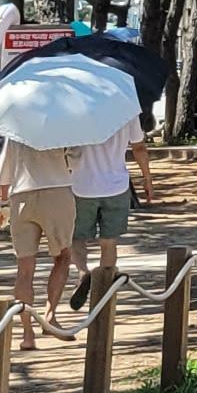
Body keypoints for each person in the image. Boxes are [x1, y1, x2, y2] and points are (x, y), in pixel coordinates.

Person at [0, 121, 82, 350]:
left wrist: (2, 203)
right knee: (63, 256)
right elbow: (76, 160)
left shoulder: (17, 125)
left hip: (21, 194)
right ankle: (50, 315)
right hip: (56, 190)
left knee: (24, 268)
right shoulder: (62, 123)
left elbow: (5, 167)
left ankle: (27, 334)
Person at [54, 107, 151, 314]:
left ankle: (82, 272)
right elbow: (139, 147)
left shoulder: (76, 108)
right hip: (116, 185)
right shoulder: (126, 109)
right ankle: (104, 290)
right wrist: (147, 177)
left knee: (76, 237)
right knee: (109, 241)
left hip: (81, 184)